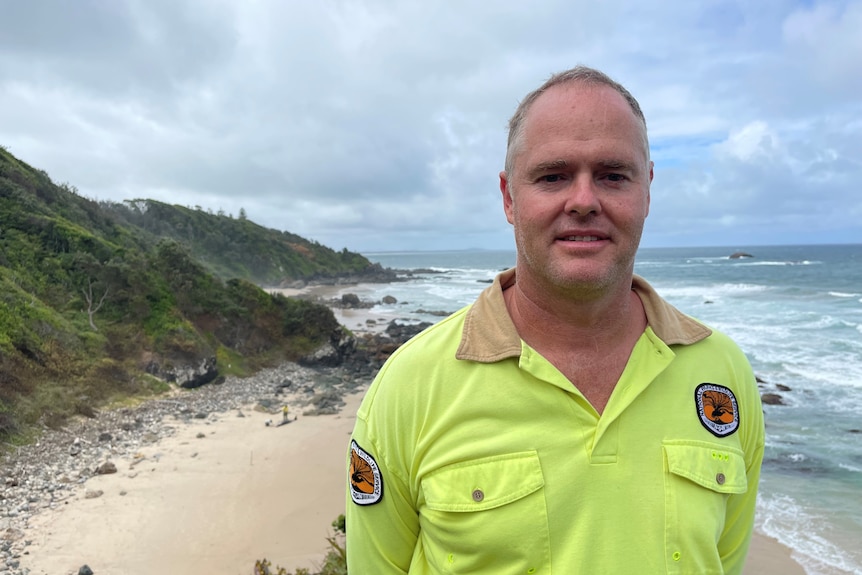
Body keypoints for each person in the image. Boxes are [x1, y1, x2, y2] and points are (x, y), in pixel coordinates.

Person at [346, 65, 765, 574]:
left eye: (612, 175)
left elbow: (724, 559)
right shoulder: (410, 386)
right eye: (553, 176)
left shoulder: (723, 373)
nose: (584, 201)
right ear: (508, 197)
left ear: (647, 190)